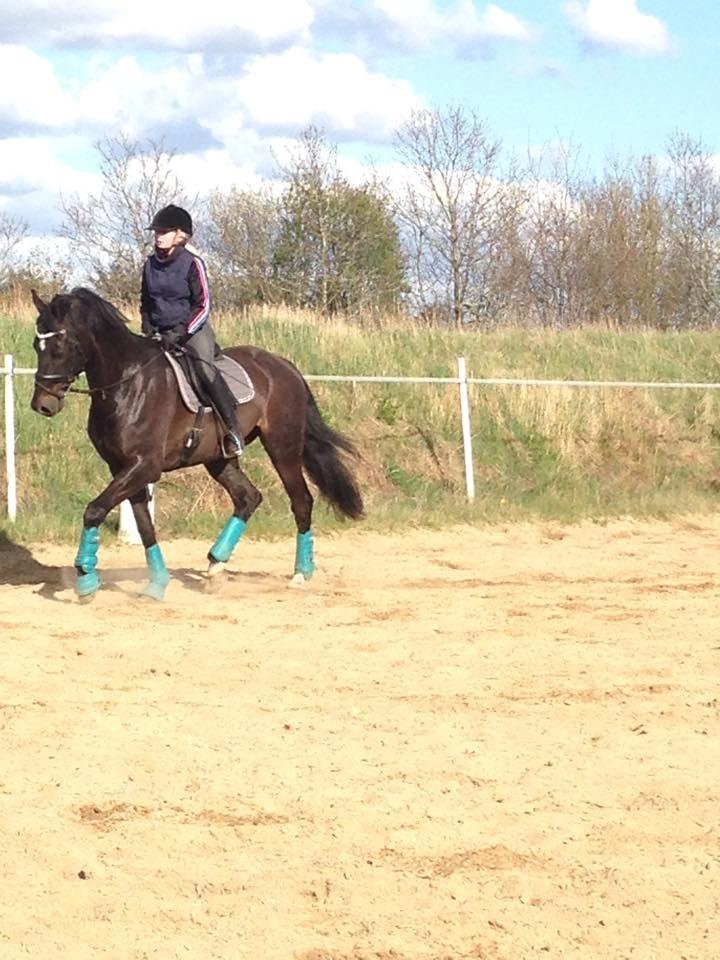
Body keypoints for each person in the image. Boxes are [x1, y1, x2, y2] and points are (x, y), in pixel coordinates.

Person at [140, 204, 243, 457]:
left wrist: (182, 331)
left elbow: (203, 304)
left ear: (180, 235)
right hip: (159, 332)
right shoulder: (149, 264)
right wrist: (148, 325)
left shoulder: (192, 263)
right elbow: (145, 301)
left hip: (192, 331)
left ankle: (233, 430)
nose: (158, 235)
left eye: (164, 231)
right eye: (157, 232)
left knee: (204, 369)